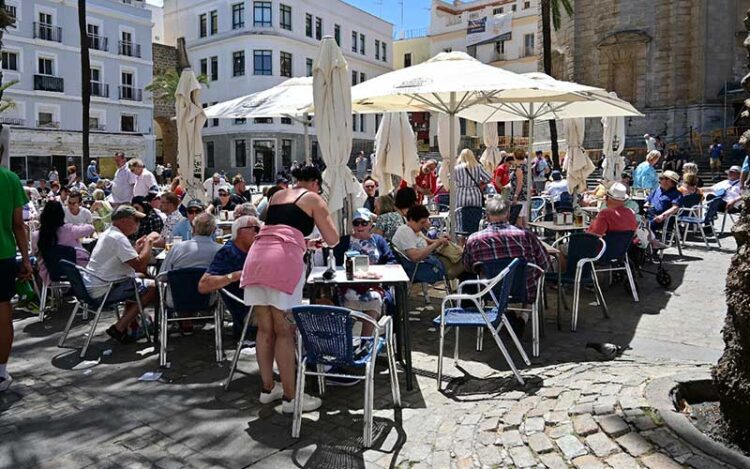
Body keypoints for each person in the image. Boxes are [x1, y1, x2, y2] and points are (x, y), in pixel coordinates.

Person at [240, 165, 339, 413]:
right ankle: (291, 397)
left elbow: (279, 229)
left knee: (264, 330)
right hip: (282, 263)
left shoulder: (277, 195)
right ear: (316, 182)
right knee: (284, 332)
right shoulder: (314, 198)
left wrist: (304, 241)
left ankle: (267, 389)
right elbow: (334, 239)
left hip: (257, 257)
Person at [462, 198, 551, 337]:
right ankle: (523, 318)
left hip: (491, 290)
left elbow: (467, 266)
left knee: (484, 276)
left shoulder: (474, 239)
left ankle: (502, 313)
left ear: (486, 216)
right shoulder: (526, 235)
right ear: (508, 214)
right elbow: (545, 263)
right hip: (524, 289)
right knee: (528, 275)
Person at [83, 205, 158, 345]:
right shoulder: (118, 238)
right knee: (154, 286)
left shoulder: (110, 233)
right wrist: (149, 242)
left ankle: (130, 324)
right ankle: (120, 327)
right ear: (124, 220)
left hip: (94, 285)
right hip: (104, 289)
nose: (138, 223)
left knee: (139, 278)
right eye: (136, 220)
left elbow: (126, 261)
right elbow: (140, 264)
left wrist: (136, 247)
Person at [199, 216, 260, 340]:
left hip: (260, 300)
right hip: (249, 309)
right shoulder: (228, 253)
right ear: (240, 231)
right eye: (255, 229)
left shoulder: (255, 250)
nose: (259, 233)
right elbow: (203, 285)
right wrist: (233, 276)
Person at [159, 213, 222, 334]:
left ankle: (185, 320)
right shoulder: (219, 250)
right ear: (214, 230)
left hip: (177, 299)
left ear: (193, 229)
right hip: (207, 299)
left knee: (181, 283)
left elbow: (162, 275)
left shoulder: (177, 248)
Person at [0, 156, 31, 391]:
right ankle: (0, 372)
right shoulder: (10, 179)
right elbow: (18, 224)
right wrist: (26, 258)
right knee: (3, 313)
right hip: (4, 254)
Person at [392, 205, 464, 280]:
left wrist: (441, 240)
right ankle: (466, 286)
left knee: (465, 263)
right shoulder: (405, 232)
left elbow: (430, 242)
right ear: (411, 219)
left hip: (428, 261)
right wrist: (437, 243)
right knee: (466, 262)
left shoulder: (414, 230)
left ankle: (465, 286)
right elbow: (415, 256)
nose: (423, 225)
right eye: (422, 222)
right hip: (423, 267)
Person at [34, 200, 94, 286]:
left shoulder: (36, 235)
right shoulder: (69, 230)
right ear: (61, 215)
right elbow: (91, 228)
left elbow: (34, 253)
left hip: (49, 272)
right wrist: (79, 225)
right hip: (75, 269)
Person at [452, 148, 492, 215]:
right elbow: (489, 178)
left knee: (460, 214)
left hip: (461, 193)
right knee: (475, 214)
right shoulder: (478, 167)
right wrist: (481, 184)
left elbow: (451, 180)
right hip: (475, 193)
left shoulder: (457, 168)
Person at [509, 148, 529, 228]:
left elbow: (519, 183)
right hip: (524, 194)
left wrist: (515, 196)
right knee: (523, 218)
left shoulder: (519, 168)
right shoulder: (526, 166)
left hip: (519, 196)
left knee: (518, 218)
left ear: (514, 156)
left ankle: (520, 237)